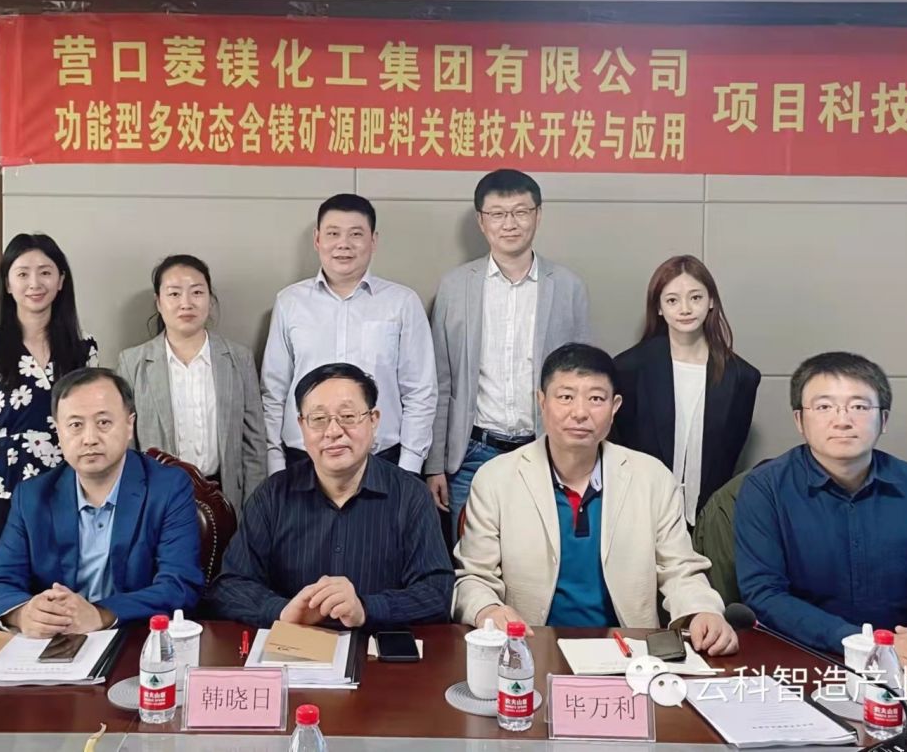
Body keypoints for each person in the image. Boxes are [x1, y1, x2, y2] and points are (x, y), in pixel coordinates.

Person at [453, 343, 738, 654]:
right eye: (565, 397)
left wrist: (702, 611)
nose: (580, 412)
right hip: (530, 650)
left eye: (596, 399)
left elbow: (680, 569)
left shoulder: (652, 478)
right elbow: (474, 577)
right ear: (542, 402)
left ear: (615, 406)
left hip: (629, 653)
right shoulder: (496, 478)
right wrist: (487, 610)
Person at [735, 352, 907, 669]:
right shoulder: (765, 489)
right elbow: (765, 596)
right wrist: (865, 644)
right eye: (824, 407)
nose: (842, 420)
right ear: (799, 421)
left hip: (901, 664)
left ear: (883, 420)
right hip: (797, 660)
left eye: (859, 407)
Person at [208, 363, 453, 629]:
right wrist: (282, 611)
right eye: (318, 419)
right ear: (301, 425)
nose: (333, 431)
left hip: (375, 646)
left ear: (373, 420)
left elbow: (436, 592)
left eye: (347, 416)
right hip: (294, 644)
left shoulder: (410, 496)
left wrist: (366, 609)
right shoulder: (272, 496)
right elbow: (230, 586)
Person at [0, 367, 203, 635]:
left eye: (104, 423)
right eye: (75, 425)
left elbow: (179, 585)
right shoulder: (32, 496)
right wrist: (23, 613)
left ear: (129, 425)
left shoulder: (168, 488)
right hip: (55, 644)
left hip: (135, 639)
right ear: (58, 431)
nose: (90, 439)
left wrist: (101, 614)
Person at [428, 169, 592, 531]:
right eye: (498, 214)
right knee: (472, 556)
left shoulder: (567, 287)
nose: (509, 224)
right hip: (472, 454)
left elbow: (585, 382)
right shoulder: (455, 287)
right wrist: (435, 464)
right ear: (481, 221)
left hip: (548, 451)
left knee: (546, 553)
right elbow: (440, 382)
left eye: (520, 212)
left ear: (538, 215)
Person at [260, 194, 436, 475]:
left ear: (373, 241)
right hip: (302, 459)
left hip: (382, 459)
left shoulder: (402, 303)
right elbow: (273, 391)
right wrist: (275, 464)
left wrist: (409, 468)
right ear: (317, 239)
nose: (343, 244)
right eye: (333, 233)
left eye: (356, 234)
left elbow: (420, 392)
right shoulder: (289, 302)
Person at [0, 233, 98, 550]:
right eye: (22, 273)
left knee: (66, 575)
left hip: (69, 487)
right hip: (1, 490)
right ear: (8, 284)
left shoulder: (83, 347)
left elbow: (92, 423)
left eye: (45, 272)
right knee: (5, 576)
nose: (35, 283)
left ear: (61, 281)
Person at [612, 255, 759, 526]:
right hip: (639, 513)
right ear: (659, 308)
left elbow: (728, 457)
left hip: (709, 519)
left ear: (711, 301)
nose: (685, 309)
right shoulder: (628, 369)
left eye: (695, 297)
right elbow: (620, 449)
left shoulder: (742, 377)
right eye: (672, 300)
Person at [118, 254, 267, 510]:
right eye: (174, 294)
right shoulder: (132, 363)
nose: (186, 303)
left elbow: (254, 443)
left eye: (197, 292)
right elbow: (126, 445)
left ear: (210, 299)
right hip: (158, 500)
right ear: (159, 302)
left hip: (226, 498)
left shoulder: (238, 358)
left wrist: (253, 509)